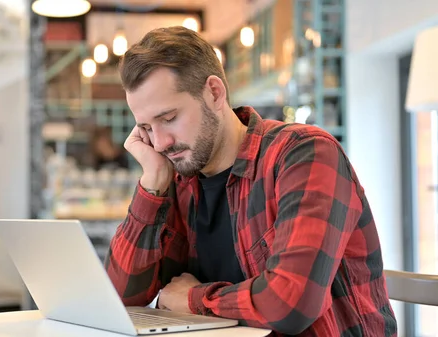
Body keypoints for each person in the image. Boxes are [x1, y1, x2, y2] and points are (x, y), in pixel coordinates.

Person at [104, 26, 397, 336]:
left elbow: (290, 304)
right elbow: (121, 299)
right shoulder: (178, 177)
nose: (160, 143)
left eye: (169, 118)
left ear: (214, 93)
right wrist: (152, 183)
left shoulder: (303, 153)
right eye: (146, 128)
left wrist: (193, 299)